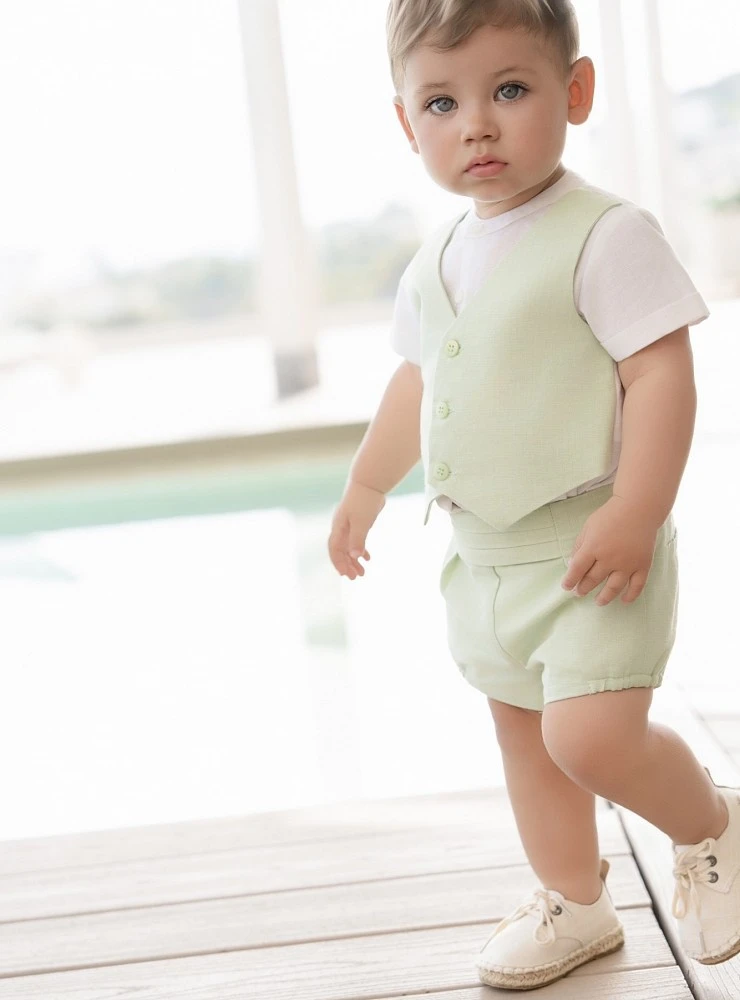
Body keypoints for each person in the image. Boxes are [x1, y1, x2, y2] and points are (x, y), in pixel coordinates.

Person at [327, 0, 740, 990]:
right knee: (525, 738)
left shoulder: (605, 234)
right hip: (485, 561)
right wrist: (366, 483)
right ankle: (575, 901)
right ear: (406, 123)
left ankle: (711, 826)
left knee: (587, 737)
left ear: (575, 90)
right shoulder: (434, 260)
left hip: (593, 547)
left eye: (509, 89)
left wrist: (636, 510)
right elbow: (416, 383)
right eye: (442, 103)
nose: (476, 123)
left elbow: (659, 377)